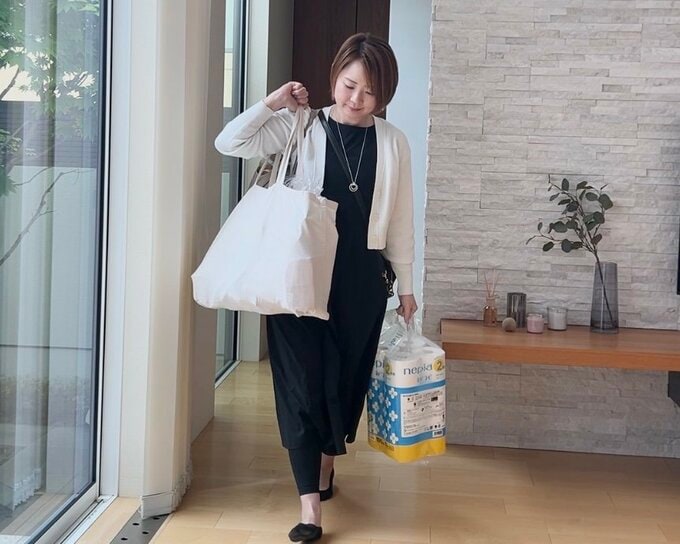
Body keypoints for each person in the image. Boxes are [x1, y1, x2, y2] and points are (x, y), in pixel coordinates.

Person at [215, 33, 417, 543]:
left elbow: (400, 220)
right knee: (300, 385)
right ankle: (310, 505)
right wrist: (272, 102)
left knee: (346, 382)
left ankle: (327, 465)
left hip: (361, 279)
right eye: (349, 85)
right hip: (297, 275)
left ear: (385, 94)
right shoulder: (300, 125)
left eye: (370, 91)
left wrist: (408, 287)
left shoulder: (393, 142)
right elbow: (229, 143)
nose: (357, 99)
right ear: (334, 78)